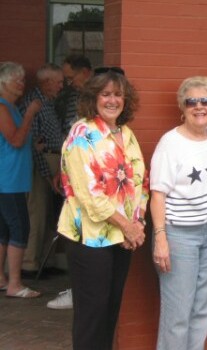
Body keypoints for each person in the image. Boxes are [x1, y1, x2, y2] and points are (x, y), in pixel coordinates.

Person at [57, 67, 148, 350]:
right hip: (89, 236)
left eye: (118, 95)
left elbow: (140, 183)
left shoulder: (126, 133)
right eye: (105, 94)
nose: (112, 100)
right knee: (92, 314)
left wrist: (138, 222)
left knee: (110, 310)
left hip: (121, 236)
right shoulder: (82, 133)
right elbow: (89, 194)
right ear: (93, 98)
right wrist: (128, 226)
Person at [150, 76, 207, 349]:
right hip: (179, 235)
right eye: (192, 102)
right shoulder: (170, 143)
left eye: (206, 101)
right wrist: (161, 238)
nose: (200, 107)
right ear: (182, 108)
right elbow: (157, 194)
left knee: (202, 309)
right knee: (178, 312)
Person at [47, 55, 93, 310]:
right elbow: (70, 135)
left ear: (85, 72)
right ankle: (77, 288)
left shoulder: (98, 96)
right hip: (73, 169)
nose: (68, 83)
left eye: (71, 77)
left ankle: (79, 290)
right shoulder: (76, 97)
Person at [0, 61, 42, 298]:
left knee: (4, 229)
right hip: (8, 179)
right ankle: (15, 283)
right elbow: (15, 140)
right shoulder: (3, 107)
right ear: (4, 83)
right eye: (18, 80)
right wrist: (29, 115)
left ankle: (2, 278)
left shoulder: (10, 107)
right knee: (19, 227)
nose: (22, 84)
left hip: (11, 178)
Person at [19, 63, 65, 275]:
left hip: (52, 161)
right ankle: (29, 264)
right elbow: (33, 144)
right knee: (37, 213)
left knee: (49, 215)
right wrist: (47, 174)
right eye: (59, 82)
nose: (61, 86)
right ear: (46, 82)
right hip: (42, 163)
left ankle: (45, 262)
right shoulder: (34, 103)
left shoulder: (47, 102)